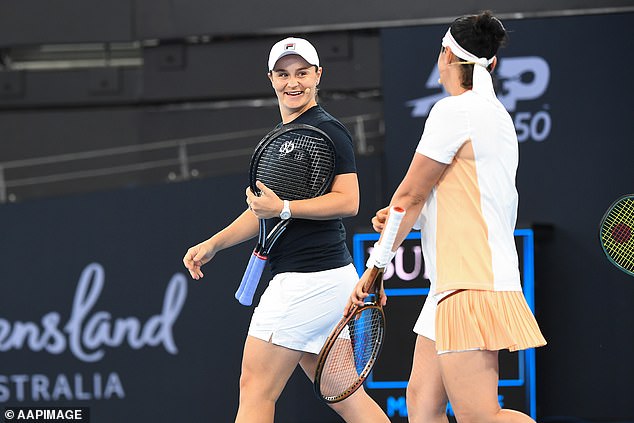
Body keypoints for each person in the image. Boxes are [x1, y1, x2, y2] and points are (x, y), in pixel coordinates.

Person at [347, 12, 547, 423]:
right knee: (422, 405)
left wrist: (375, 269)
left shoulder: (454, 112)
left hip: (468, 282)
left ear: (446, 56)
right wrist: (409, 219)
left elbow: (411, 193)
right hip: (457, 282)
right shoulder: (497, 117)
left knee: (480, 416)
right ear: (490, 64)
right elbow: (456, 200)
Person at [183, 37, 389, 423]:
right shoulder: (281, 136)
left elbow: (349, 201)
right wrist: (214, 243)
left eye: (302, 73)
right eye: (283, 74)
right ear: (271, 79)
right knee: (347, 399)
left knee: (255, 390)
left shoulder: (329, 131)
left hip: (305, 282)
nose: (293, 83)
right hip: (331, 280)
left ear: (318, 76)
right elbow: (264, 212)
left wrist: (285, 207)